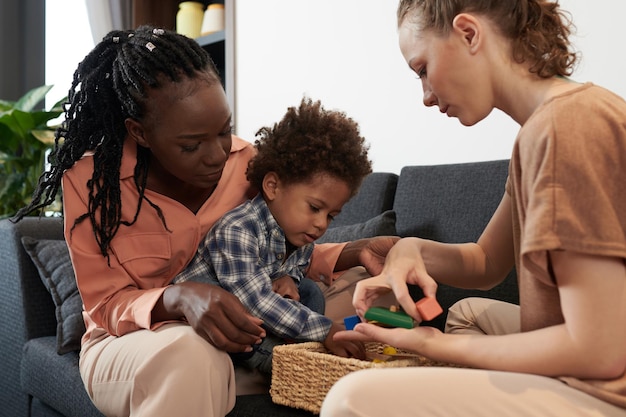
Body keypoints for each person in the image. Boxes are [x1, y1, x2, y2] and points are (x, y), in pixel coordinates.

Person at [12, 26, 397, 417]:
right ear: (140, 132)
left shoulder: (251, 165)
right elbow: (106, 304)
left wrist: (356, 251)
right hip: (129, 340)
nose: (217, 155)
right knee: (192, 354)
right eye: (192, 145)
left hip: (235, 334)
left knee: (341, 306)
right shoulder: (93, 184)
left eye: (225, 131)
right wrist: (178, 298)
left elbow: (274, 246)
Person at [320, 1, 626, 416]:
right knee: (466, 312)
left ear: (469, 33)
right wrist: (409, 250)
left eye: (422, 69)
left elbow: (601, 350)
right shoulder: (544, 127)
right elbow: (485, 262)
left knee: (348, 399)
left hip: (606, 389)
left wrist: (434, 345)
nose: (426, 96)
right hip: (593, 358)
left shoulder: (565, 127)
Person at [176, 97, 372, 374]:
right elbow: (254, 301)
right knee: (254, 336)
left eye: (330, 216)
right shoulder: (237, 229)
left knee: (309, 289)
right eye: (314, 208)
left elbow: (296, 269)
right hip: (223, 314)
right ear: (272, 186)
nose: (320, 225)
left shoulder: (299, 232)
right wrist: (325, 330)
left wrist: (287, 278)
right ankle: (289, 364)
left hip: (256, 300)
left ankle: (299, 342)